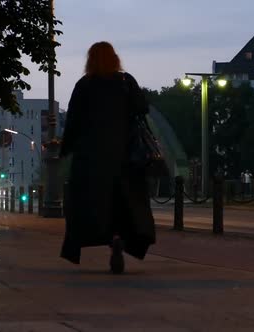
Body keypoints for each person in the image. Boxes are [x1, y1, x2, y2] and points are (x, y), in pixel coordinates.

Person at [59, 41, 156, 274]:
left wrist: (65, 150)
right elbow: (142, 109)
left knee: (93, 204)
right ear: (115, 58)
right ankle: (122, 237)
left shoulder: (84, 85)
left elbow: (72, 122)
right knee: (126, 202)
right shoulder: (126, 81)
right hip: (125, 156)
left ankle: (104, 236)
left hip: (91, 158)